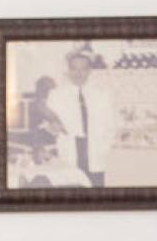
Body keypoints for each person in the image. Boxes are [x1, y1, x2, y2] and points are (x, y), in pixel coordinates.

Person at [46, 47, 115, 186]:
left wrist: (104, 147)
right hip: (69, 149)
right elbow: (46, 126)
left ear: (90, 71)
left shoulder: (102, 95)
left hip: (95, 149)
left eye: (83, 69)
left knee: (96, 192)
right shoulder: (56, 95)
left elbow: (111, 125)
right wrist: (52, 128)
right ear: (68, 71)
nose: (79, 73)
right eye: (74, 69)